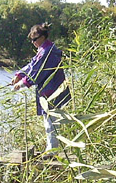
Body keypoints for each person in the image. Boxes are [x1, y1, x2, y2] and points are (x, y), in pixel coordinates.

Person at [10, 23, 71, 153]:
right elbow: (32, 65)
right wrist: (19, 75)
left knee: (51, 121)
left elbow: (37, 73)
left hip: (52, 91)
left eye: (35, 39)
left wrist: (21, 84)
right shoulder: (45, 49)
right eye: (31, 40)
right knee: (50, 120)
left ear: (43, 37)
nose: (33, 42)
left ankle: (52, 150)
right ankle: (52, 148)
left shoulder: (47, 52)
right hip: (51, 90)